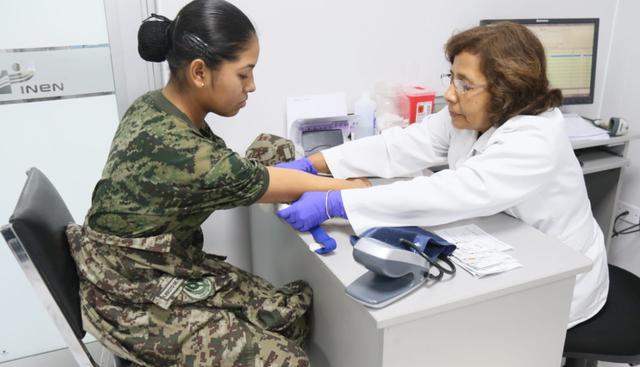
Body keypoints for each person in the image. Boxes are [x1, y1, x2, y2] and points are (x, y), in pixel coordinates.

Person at [65, 1, 369, 366]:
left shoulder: (153, 106)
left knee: (290, 315)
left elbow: (236, 172)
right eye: (244, 74)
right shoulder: (179, 149)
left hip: (139, 270)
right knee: (287, 359)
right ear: (199, 72)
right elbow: (253, 179)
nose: (252, 86)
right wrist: (358, 191)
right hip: (129, 297)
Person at [277, 22, 609, 328]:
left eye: (465, 85)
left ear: (507, 90)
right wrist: (317, 163)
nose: (450, 93)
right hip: (502, 245)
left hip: (558, 282)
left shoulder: (535, 138)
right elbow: (404, 144)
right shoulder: (470, 115)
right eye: (451, 78)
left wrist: (336, 204)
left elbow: (451, 192)